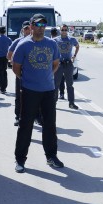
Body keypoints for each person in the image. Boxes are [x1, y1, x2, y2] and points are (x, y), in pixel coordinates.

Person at [12, 13, 62, 173]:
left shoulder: (52, 44)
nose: (41, 28)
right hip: (29, 91)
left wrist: (45, 78)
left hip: (48, 90)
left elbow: (55, 64)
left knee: (50, 125)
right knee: (25, 126)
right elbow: (16, 68)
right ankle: (20, 159)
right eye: (38, 24)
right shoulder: (23, 45)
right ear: (31, 26)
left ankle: (51, 156)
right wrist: (28, 80)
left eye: (43, 25)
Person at [8, 21, 31, 126]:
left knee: (36, 95)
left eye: (29, 28)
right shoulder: (18, 41)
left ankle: (37, 117)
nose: (27, 30)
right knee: (19, 96)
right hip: (21, 73)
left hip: (34, 73)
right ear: (22, 30)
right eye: (25, 28)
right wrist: (14, 62)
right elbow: (9, 55)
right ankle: (18, 116)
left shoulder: (36, 41)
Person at [54, 25, 80, 109]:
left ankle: (71, 103)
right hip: (59, 64)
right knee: (56, 84)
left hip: (68, 64)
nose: (64, 31)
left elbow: (77, 46)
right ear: (60, 30)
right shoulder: (56, 40)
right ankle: (53, 103)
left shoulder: (71, 39)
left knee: (70, 84)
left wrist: (74, 56)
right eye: (62, 30)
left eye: (65, 30)